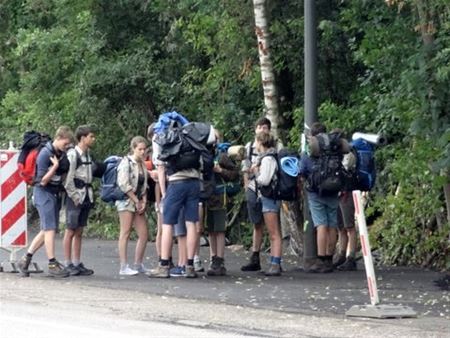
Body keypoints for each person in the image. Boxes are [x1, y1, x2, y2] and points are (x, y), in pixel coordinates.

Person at [149, 124, 216, 278]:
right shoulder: (193, 137)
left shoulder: (167, 138)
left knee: (167, 224)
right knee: (191, 223)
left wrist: (165, 193)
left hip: (176, 183)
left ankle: (164, 265)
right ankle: (190, 265)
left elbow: (160, 168)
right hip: (194, 183)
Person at [18, 126, 73, 278]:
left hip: (53, 193)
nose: (67, 146)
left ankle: (25, 260)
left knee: (46, 230)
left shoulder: (60, 153)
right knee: (50, 229)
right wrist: (54, 167)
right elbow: (41, 181)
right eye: (66, 143)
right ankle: (52, 263)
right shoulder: (45, 154)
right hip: (43, 193)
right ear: (59, 138)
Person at [299, 122, 348, 273]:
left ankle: (320, 259)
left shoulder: (309, 152)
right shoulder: (334, 149)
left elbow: (302, 171)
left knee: (321, 225)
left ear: (312, 136)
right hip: (333, 191)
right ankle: (329, 259)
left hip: (316, 192)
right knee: (332, 224)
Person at [63, 125, 96, 276]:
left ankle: (76, 262)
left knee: (79, 230)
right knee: (70, 230)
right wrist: (74, 196)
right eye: (91, 136)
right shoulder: (73, 155)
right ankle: (67, 263)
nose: (93, 139)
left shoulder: (87, 155)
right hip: (76, 196)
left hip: (86, 195)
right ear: (83, 138)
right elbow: (68, 179)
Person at [240, 117, 272, 272]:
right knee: (256, 222)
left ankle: (275, 259)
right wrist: (246, 185)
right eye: (259, 127)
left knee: (272, 224)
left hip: (269, 188)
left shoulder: (274, 146)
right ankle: (255, 256)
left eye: (265, 127)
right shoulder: (249, 147)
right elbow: (245, 165)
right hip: (253, 187)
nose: (262, 129)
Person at [206, 134, 239, 276]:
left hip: (219, 196)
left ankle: (219, 259)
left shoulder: (222, 156)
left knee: (219, 229)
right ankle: (213, 258)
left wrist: (220, 171)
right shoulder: (204, 154)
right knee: (211, 230)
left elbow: (235, 174)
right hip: (208, 195)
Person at [116, 136, 149, 276]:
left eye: (144, 149)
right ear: (133, 149)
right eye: (139, 149)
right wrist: (136, 200)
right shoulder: (126, 163)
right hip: (126, 201)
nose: (142, 152)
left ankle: (138, 263)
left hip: (138, 200)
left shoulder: (142, 165)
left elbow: (145, 185)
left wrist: (144, 200)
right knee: (125, 232)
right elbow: (123, 184)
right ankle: (123, 265)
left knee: (143, 233)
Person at [250, 132, 282, 276]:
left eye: (256, 142)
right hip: (269, 198)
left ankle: (275, 263)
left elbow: (264, 180)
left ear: (261, 143)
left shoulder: (268, 159)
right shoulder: (267, 157)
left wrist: (256, 172)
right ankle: (274, 262)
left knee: (274, 233)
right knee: (273, 232)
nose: (255, 145)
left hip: (270, 198)